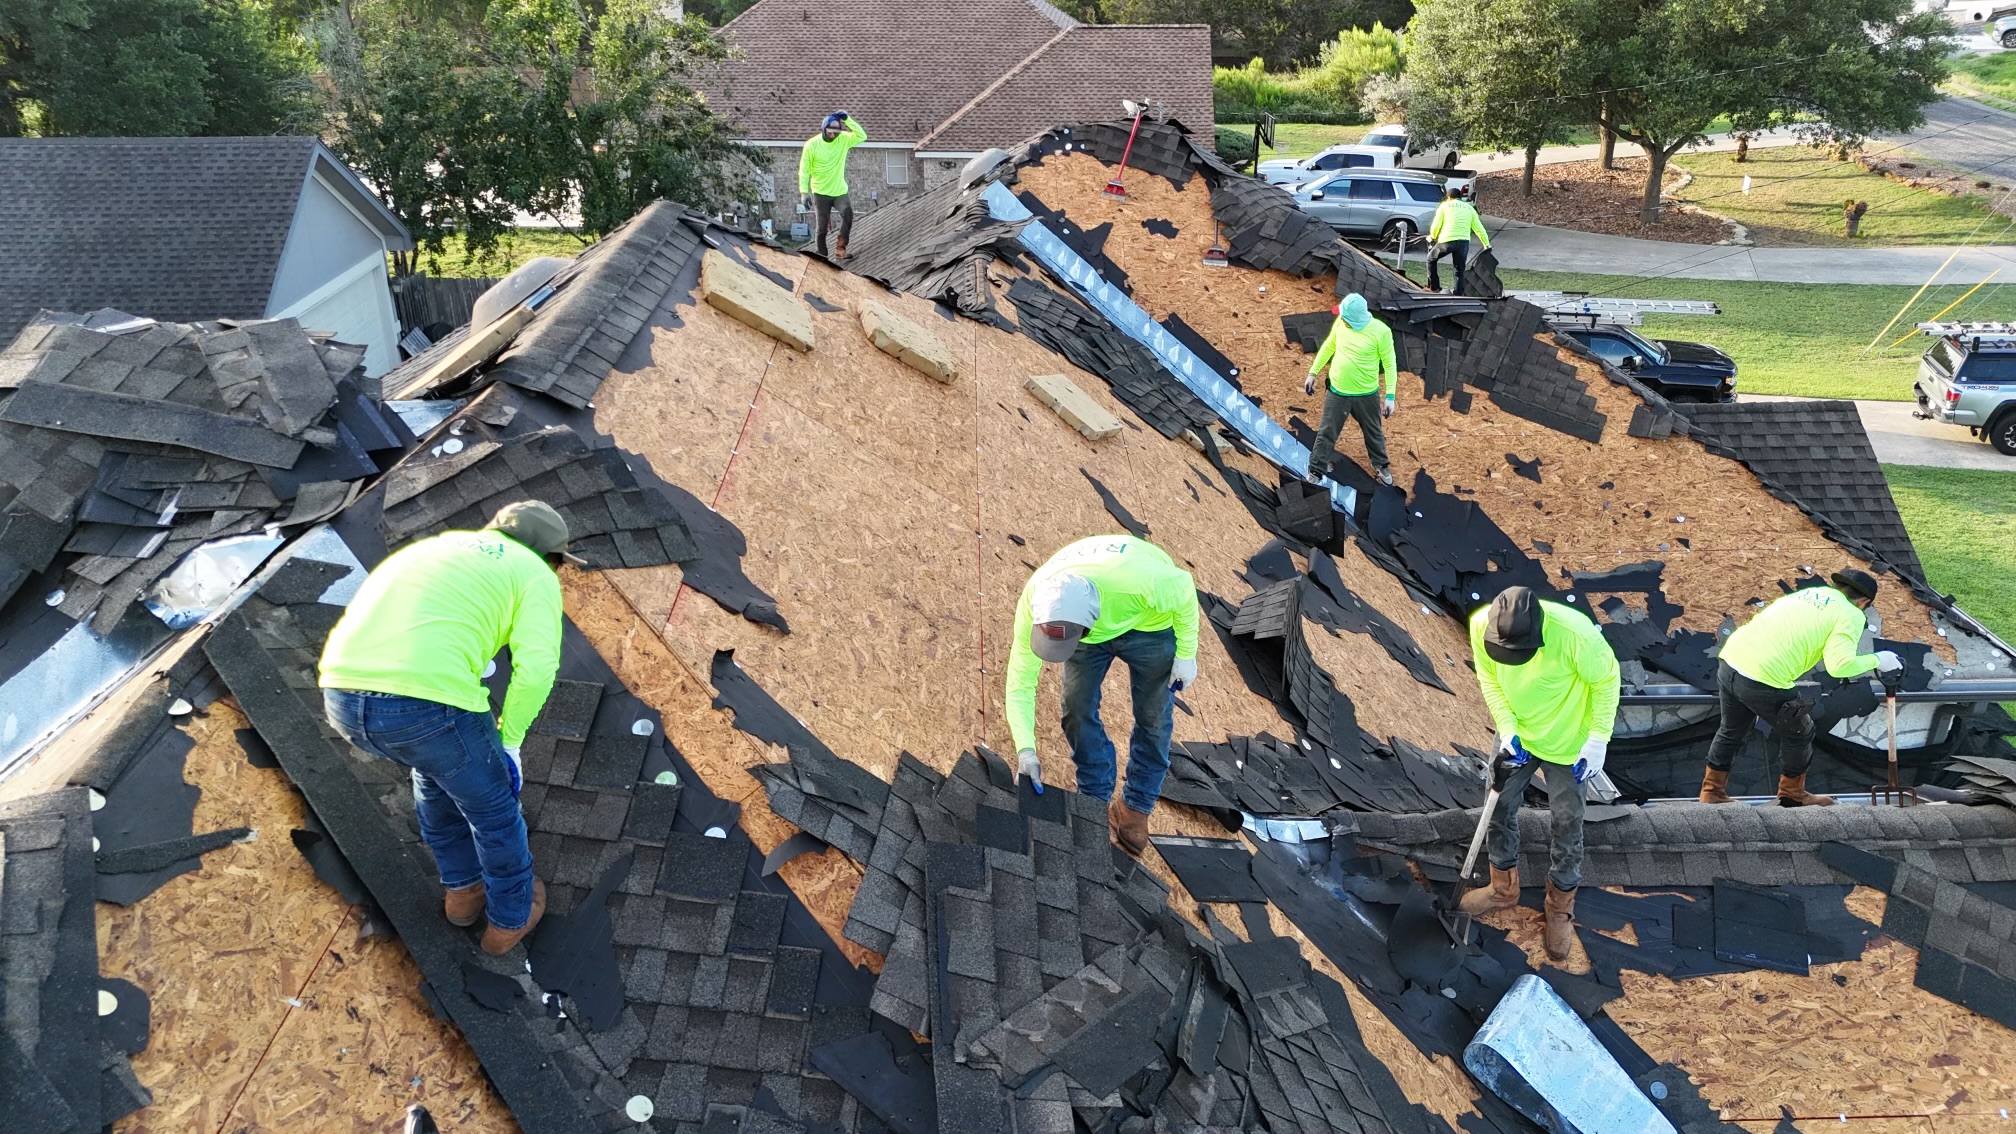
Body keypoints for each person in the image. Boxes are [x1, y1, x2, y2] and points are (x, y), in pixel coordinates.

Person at [319, 501, 578, 955]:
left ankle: (462, 895)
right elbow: (537, 669)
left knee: (435, 768)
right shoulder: (534, 572)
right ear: (549, 557)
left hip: (342, 697)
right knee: (495, 810)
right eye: (558, 564)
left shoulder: (436, 547)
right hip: (424, 703)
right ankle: (509, 921)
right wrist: (510, 743)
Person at [1005, 535, 1200, 856]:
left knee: (1154, 717)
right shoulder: (1037, 602)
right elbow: (1020, 682)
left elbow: (1184, 588)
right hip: (1088, 632)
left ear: (1089, 620)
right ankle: (1094, 796)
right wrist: (1026, 750)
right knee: (1076, 708)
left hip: (1149, 623)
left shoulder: (1143, 584)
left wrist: (1187, 653)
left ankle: (1136, 805)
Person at [1459, 586, 1620, 963]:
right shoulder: (1481, 625)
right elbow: (1490, 680)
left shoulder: (1577, 635)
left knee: (1567, 820)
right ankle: (1503, 888)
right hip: (1519, 736)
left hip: (1570, 745)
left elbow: (1607, 682)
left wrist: (1597, 739)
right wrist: (1508, 728)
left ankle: (1560, 905)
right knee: (1497, 805)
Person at [1700, 568, 1901, 807]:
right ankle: (1792, 794)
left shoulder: (1808, 594)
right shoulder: (1852, 614)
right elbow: (1839, 666)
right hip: (1763, 676)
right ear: (1864, 602)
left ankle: (1711, 792)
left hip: (1731, 660)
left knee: (1731, 730)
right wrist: (1879, 659)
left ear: (1838, 587)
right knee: (1800, 731)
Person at [1304, 293, 1398, 486]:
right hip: (1338, 391)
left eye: (1345, 317)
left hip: (1366, 394)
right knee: (1327, 431)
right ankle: (1315, 471)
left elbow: (1390, 365)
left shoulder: (1381, 332)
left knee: (1373, 431)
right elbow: (1329, 346)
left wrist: (1390, 396)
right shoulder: (1341, 322)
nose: (1341, 319)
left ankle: (1381, 465)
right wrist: (1313, 372)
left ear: (1355, 319)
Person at [800, 111, 866, 258]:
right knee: (822, 228)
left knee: (848, 214)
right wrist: (804, 193)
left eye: (836, 133)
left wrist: (848, 119)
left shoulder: (842, 139)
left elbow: (862, 135)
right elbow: (804, 171)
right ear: (824, 129)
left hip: (839, 191)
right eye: (830, 132)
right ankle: (822, 256)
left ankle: (840, 249)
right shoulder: (812, 145)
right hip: (820, 192)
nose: (833, 136)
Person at [1426, 184, 1490, 295]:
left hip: (1447, 241)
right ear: (1460, 198)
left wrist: (1432, 237)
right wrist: (1486, 244)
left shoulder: (1445, 206)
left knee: (1431, 259)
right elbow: (1479, 228)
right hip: (1463, 242)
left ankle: (1434, 287)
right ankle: (1458, 293)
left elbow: (1436, 224)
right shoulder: (1470, 208)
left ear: (1449, 197)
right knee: (1459, 269)